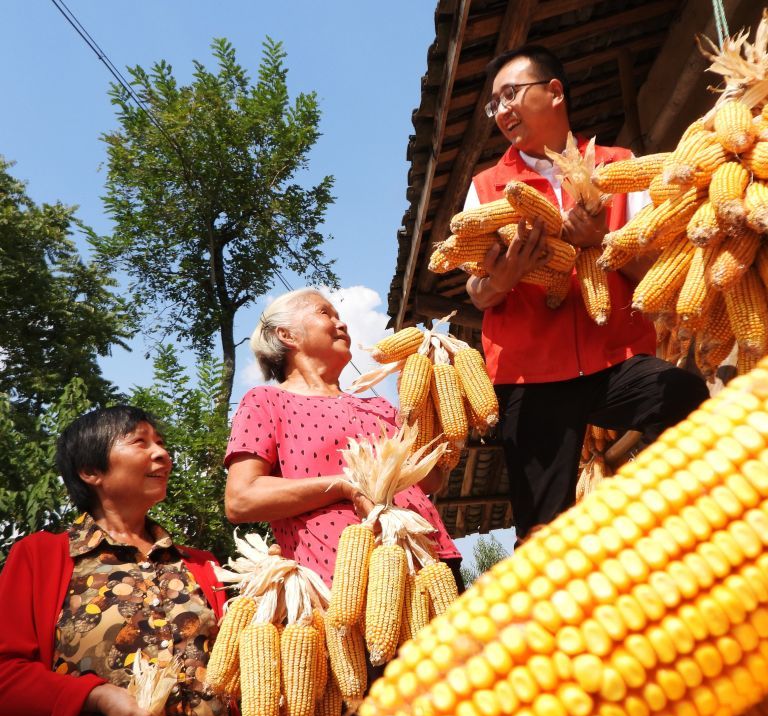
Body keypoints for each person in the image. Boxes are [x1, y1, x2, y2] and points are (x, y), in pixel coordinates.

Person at [463, 44, 710, 541]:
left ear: (554, 92)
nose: (503, 111)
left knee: (686, 395)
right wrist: (504, 279)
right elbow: (477, 292)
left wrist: (602, 241)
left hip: (615, 356)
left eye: (511, 95)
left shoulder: (620, 165)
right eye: (495, 104)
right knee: (541, 531)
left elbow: (655, 273)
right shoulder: (488, 186)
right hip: (531, 374)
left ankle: (666, 526)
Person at [0, 406, 243, 716]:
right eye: (140, 443)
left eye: (160, 442)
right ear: (90, 470)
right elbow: (5, 677)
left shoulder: (201, 565)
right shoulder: (40, 558)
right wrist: (96, 695)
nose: (163, 453)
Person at [224, 287, 463, 589]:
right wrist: (343, 486)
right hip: (346, 578)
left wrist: (436, 407)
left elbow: (429, 482)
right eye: (325, 313)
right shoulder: (266, 401)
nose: (342, 323)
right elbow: (241, 499)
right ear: (287, 335)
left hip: (431, 560)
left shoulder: (378, 406)